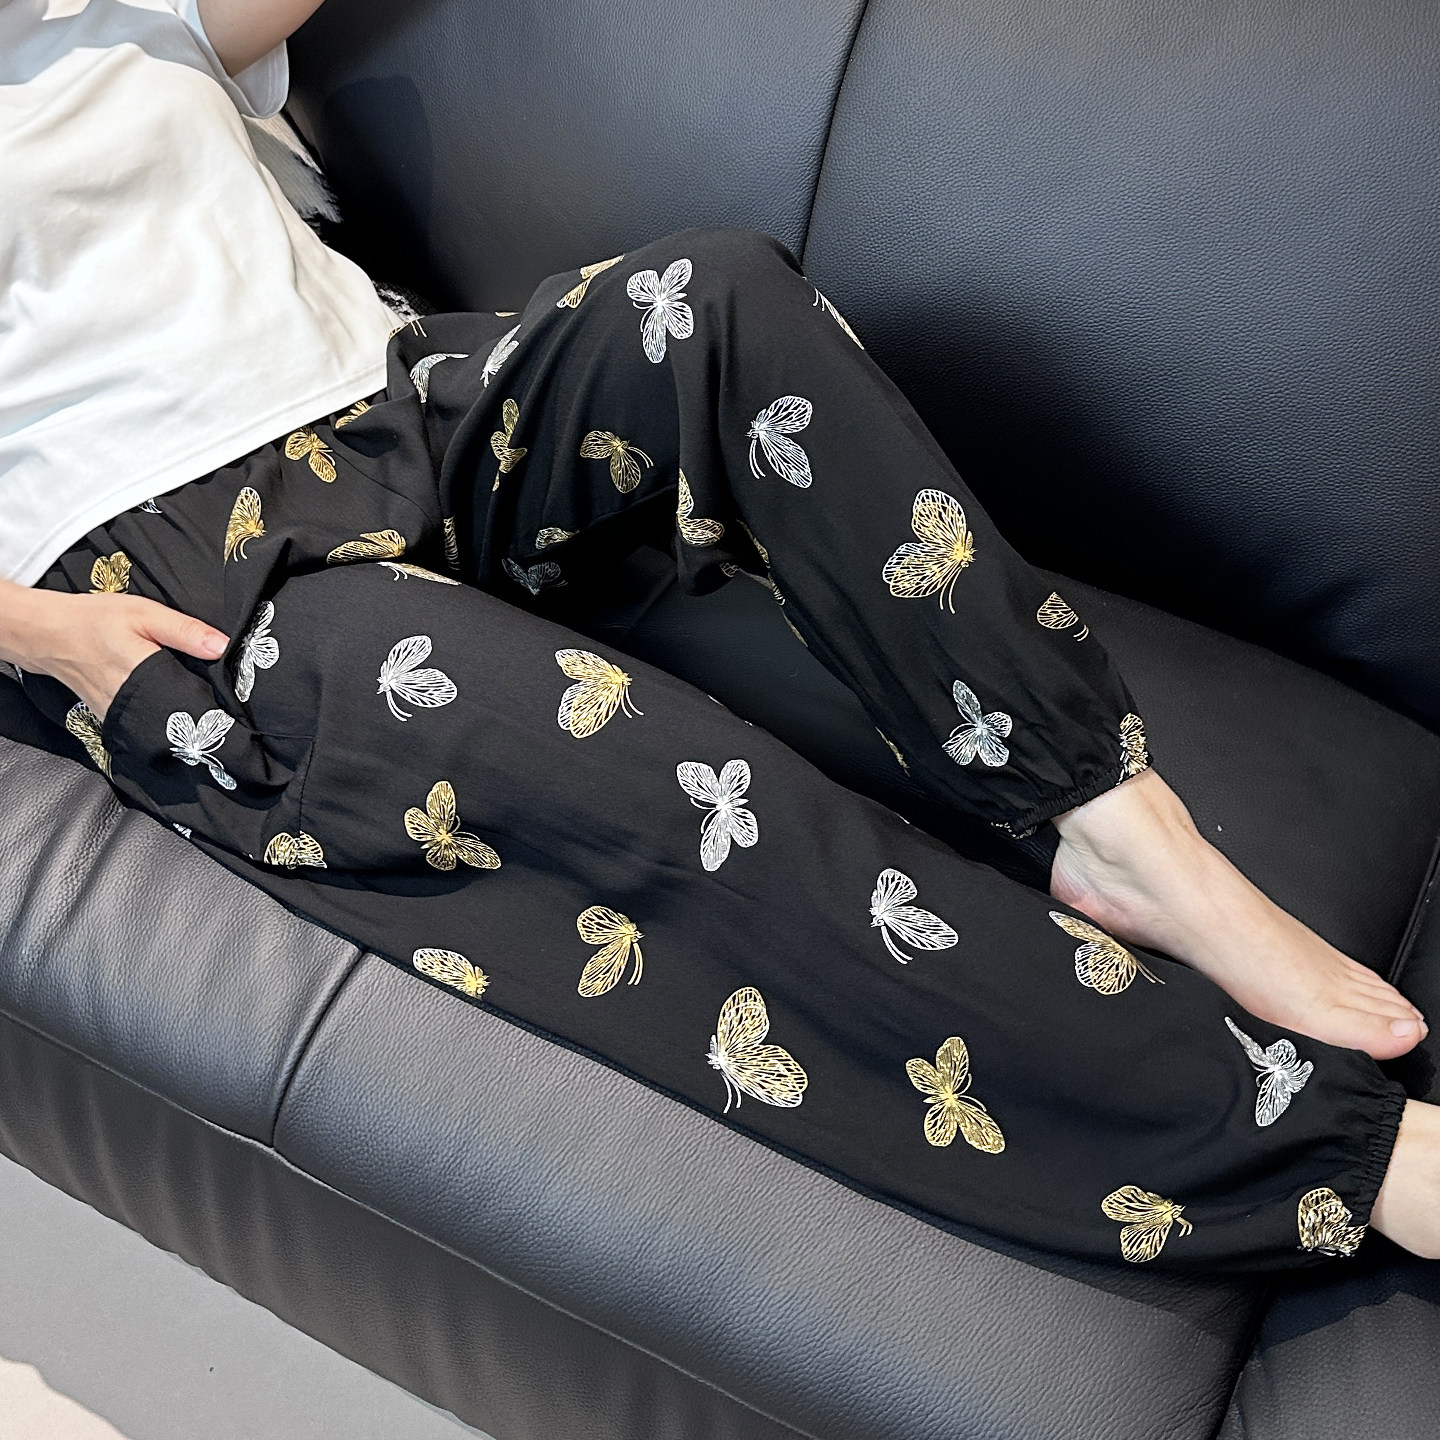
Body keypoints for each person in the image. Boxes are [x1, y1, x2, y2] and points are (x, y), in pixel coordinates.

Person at [1, 0, 1436, 1268]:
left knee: (720, 300)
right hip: (181, 583)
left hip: (402, 401)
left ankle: (1124, 828)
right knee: (679, 798)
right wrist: (51, 638)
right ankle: (1325, 1157)